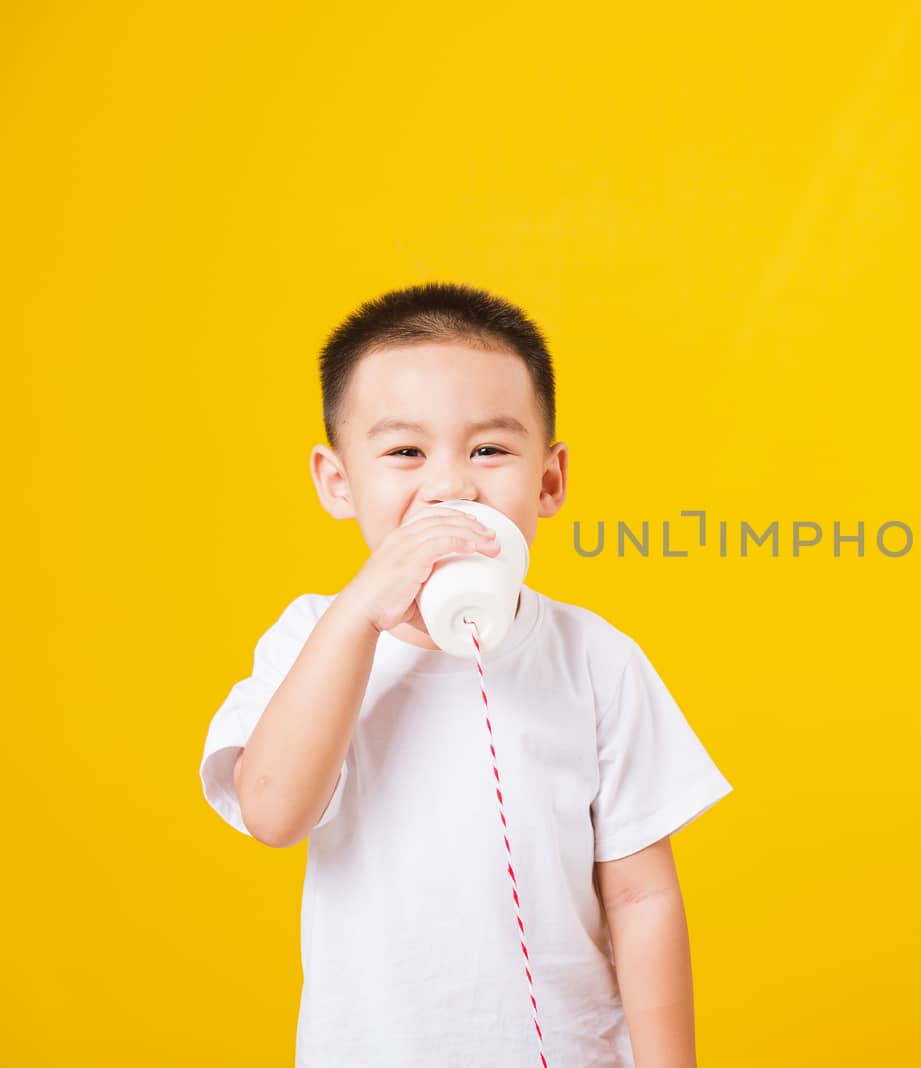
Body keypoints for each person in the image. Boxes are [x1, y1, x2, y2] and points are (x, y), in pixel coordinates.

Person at [197, 281, 733, 1067]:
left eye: (489, 449)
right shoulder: (314, 636)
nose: (451, 485)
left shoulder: (594, 659)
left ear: (548, 482)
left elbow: (642, 896)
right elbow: (273, 811)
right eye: (406, 451)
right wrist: (359, 615)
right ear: (337, 481)